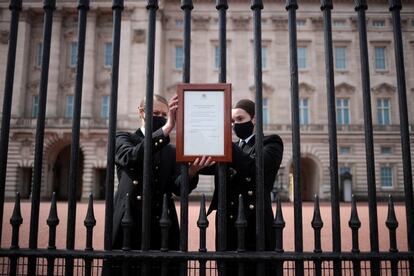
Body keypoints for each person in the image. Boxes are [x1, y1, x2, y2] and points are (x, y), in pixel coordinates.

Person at [112, 94, 212, 272]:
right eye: (155, 112)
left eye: (163, 114)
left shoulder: (171, 151)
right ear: (141, 112)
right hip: (129, 220)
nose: (159, 117)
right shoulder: (123, 138)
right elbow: (131, 158)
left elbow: (179, 188)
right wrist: (167, 128)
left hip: (163, 223)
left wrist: (191, 172)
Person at [204, 99, 284, 275]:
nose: (235, 125)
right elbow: (206, 164)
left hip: (255, 222)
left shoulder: (271, 143)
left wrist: (226, 143)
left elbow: (253, 168)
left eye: (240, 119)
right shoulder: (230, 147)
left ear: (254, 119)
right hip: (227, 224)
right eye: (232, 122)